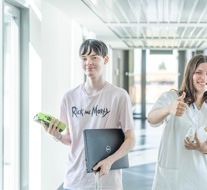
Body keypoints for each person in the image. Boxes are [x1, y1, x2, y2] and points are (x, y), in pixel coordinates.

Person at [41, 39, 136, 190]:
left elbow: (130, 140)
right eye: (84, 58)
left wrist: (110, 161)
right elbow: (71, 139)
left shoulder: (119, 96)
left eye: (94, 57)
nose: (88, 62)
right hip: (75, 180)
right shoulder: (69, 97)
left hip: (107, 181)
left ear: (105, 59)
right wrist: (57, 135)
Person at [147, 54, 207, 190]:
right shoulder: (172, 97)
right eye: (198, 72)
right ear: (190, 74)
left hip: (205, 179)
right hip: (174, 179)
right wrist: (169, 109)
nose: (204, 78)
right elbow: (151, 119)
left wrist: (206, 149)